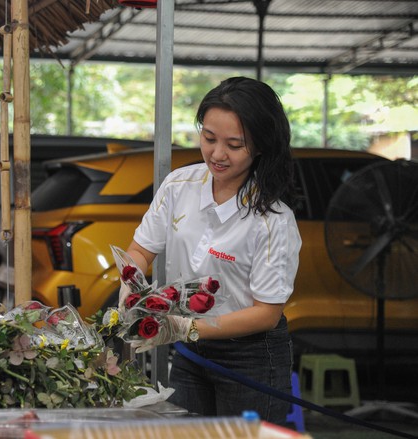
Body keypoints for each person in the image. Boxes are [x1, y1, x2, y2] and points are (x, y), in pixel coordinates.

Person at [120, 76, 302, 424]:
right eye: (209, 138)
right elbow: (140, 252)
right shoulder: (178, 186)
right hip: (191, 353)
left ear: (261, 146)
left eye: (235, 144)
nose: (217, 154)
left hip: (251, 357)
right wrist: (128, 288)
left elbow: (267, 312)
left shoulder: (273, 221)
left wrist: (184, 327)